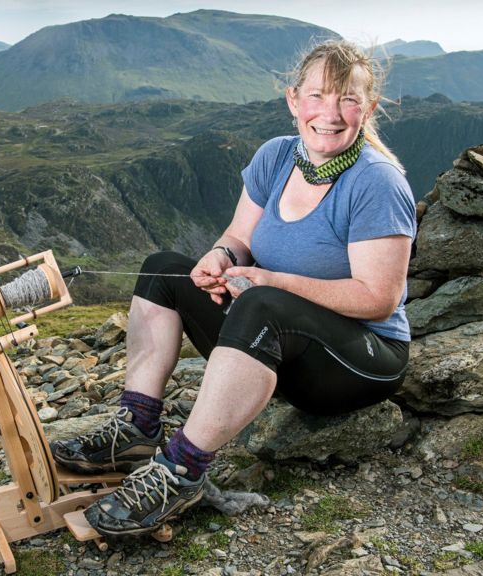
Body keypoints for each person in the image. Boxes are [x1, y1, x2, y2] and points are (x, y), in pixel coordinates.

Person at [51, 40, 416, 537]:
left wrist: (271, 280)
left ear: (368, 109)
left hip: (361, 361)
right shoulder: (275, 158)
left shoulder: (377, 182)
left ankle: (182, 470)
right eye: (317, 96)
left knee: (264, 302)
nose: (330, 113)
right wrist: (219, 258)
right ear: (293, 100)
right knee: (163, 268)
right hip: (284, 344)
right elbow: (240, 237)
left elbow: (379, 298)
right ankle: (138, 426)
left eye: (347, 100)